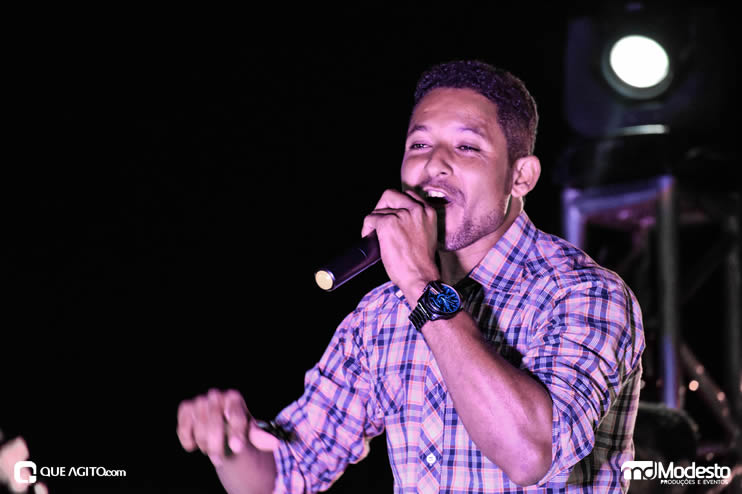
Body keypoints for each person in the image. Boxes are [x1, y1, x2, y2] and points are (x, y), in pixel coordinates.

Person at [177, 60, 645, 493]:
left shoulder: (583, 293)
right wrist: (230, 446)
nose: (433, 165)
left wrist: (422, 285)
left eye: (467, 147)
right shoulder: (380, 315)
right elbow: (288, 474)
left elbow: (530, 455)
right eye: (419, 145)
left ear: (521, 176)